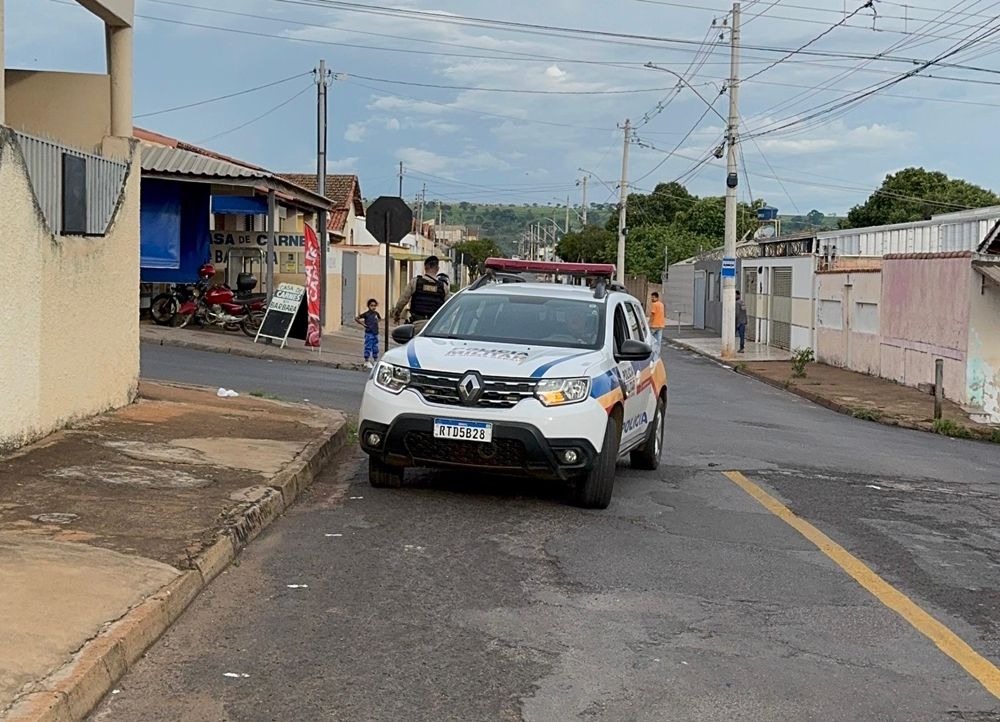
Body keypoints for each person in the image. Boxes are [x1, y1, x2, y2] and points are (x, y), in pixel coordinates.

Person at [392, 255, 450, 330]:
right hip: (435, 326)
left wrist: (397, 314)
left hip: (417, 324)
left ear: (425, 267)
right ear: (437, 269)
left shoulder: (415, 282)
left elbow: (403, 300)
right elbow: (448, 307)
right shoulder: (443, 287)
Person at [356, 298, 382, 369]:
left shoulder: (376, 314)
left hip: (375, 333)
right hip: (369, 333)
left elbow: (380, 319)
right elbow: (357, 318)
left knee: (375, 347)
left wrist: (376, 323)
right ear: (368, 306)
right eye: (371, 305)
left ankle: (375, 360)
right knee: (368, 346)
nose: (373, 307)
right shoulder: (366, 314)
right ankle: (366, 360)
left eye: (374, 306)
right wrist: (363, 324)